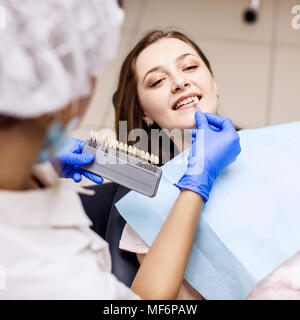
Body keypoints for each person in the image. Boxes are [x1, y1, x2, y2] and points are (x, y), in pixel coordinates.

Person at [0, 2, 241, 300]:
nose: (180, 82)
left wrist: (41, 164)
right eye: (157, 81)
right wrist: (196, 184)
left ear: (213, 81)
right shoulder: (53, 274)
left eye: (190, 66)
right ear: (143, 115)